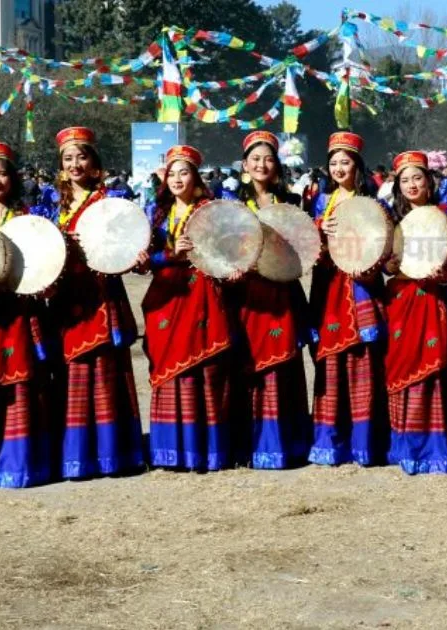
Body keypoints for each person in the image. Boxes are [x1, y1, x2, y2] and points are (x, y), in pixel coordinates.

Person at [35, 126, 146, 480]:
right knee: (72, 372)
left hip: (101, 296)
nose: (75, 164)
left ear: (95, 165)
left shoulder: (110, 204)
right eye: (68, 158)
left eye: (82, 157)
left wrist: (138, 256)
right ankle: (76, 457)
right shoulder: (52, 204)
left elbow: (128, 245)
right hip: (67, 299)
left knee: (104, 370)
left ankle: (113, 455)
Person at [142, 145, 236, 472]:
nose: (177, 178)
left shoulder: (210, 210)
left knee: (205, 370)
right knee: (168, 369)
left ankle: (207, 451)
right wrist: (168, 255)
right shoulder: (156, 213)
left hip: (203, 295)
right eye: (172, 173)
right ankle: (172, 451)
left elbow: (230, 252)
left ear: (195, 177)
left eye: (184, 172)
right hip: (167, 299)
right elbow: (146, 261)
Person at [225, 131, 313, 469]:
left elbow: (303, 249)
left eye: (268, 158)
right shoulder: (230, 203)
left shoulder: (291, 203)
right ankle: (246, 444)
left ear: (277, 166)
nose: (262, 164)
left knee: (283, 365)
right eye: (255, 159)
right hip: (244, 296)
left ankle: (283, 445)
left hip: (280, 293)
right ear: (245, 165)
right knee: (245, 366)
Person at [0, 142, 53, 489]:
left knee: (23, 382)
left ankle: (22, 465)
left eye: (2, 173)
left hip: (20, 312)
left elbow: (45, 264)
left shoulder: (30, 219)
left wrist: (43, 285)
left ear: (12, 178)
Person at [306, 131, 388, 466]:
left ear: (358, 165)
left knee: (363, 361)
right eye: (334, 162)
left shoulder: (375, 203)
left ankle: (365, 443)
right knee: (330, 363)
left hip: (361, 286)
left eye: (346, 161)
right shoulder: (321, 203)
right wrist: (319, 231)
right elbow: (309, 248)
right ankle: (331, 442)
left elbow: (384, 246)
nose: (340, 168)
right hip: (329, 285)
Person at [384, 151, 447, 475]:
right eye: (405, 180)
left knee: (434, 367)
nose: (412, 184)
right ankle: (405, 447)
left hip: (432, 300)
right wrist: (390, 264)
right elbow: (384, 263)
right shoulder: (391, 220)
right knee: (400, 367)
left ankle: (435, 448)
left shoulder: (445, 215)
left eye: (417, 177)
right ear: (398, 186)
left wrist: (440, 272)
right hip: (401, 300)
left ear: (429, 181)